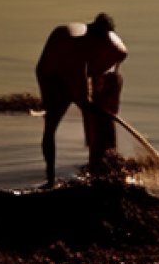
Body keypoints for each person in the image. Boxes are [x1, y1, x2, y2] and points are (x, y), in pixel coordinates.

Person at [35, 13, 127, 186]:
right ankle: (50, 180)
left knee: (99, 116)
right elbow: (84, 98)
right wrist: (91, 105)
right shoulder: (77, 46)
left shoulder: (111, 44)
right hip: (52, 76)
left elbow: (120, 55)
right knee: (50, 126)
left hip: (85, 68)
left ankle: (100, 163)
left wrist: (104, 91)